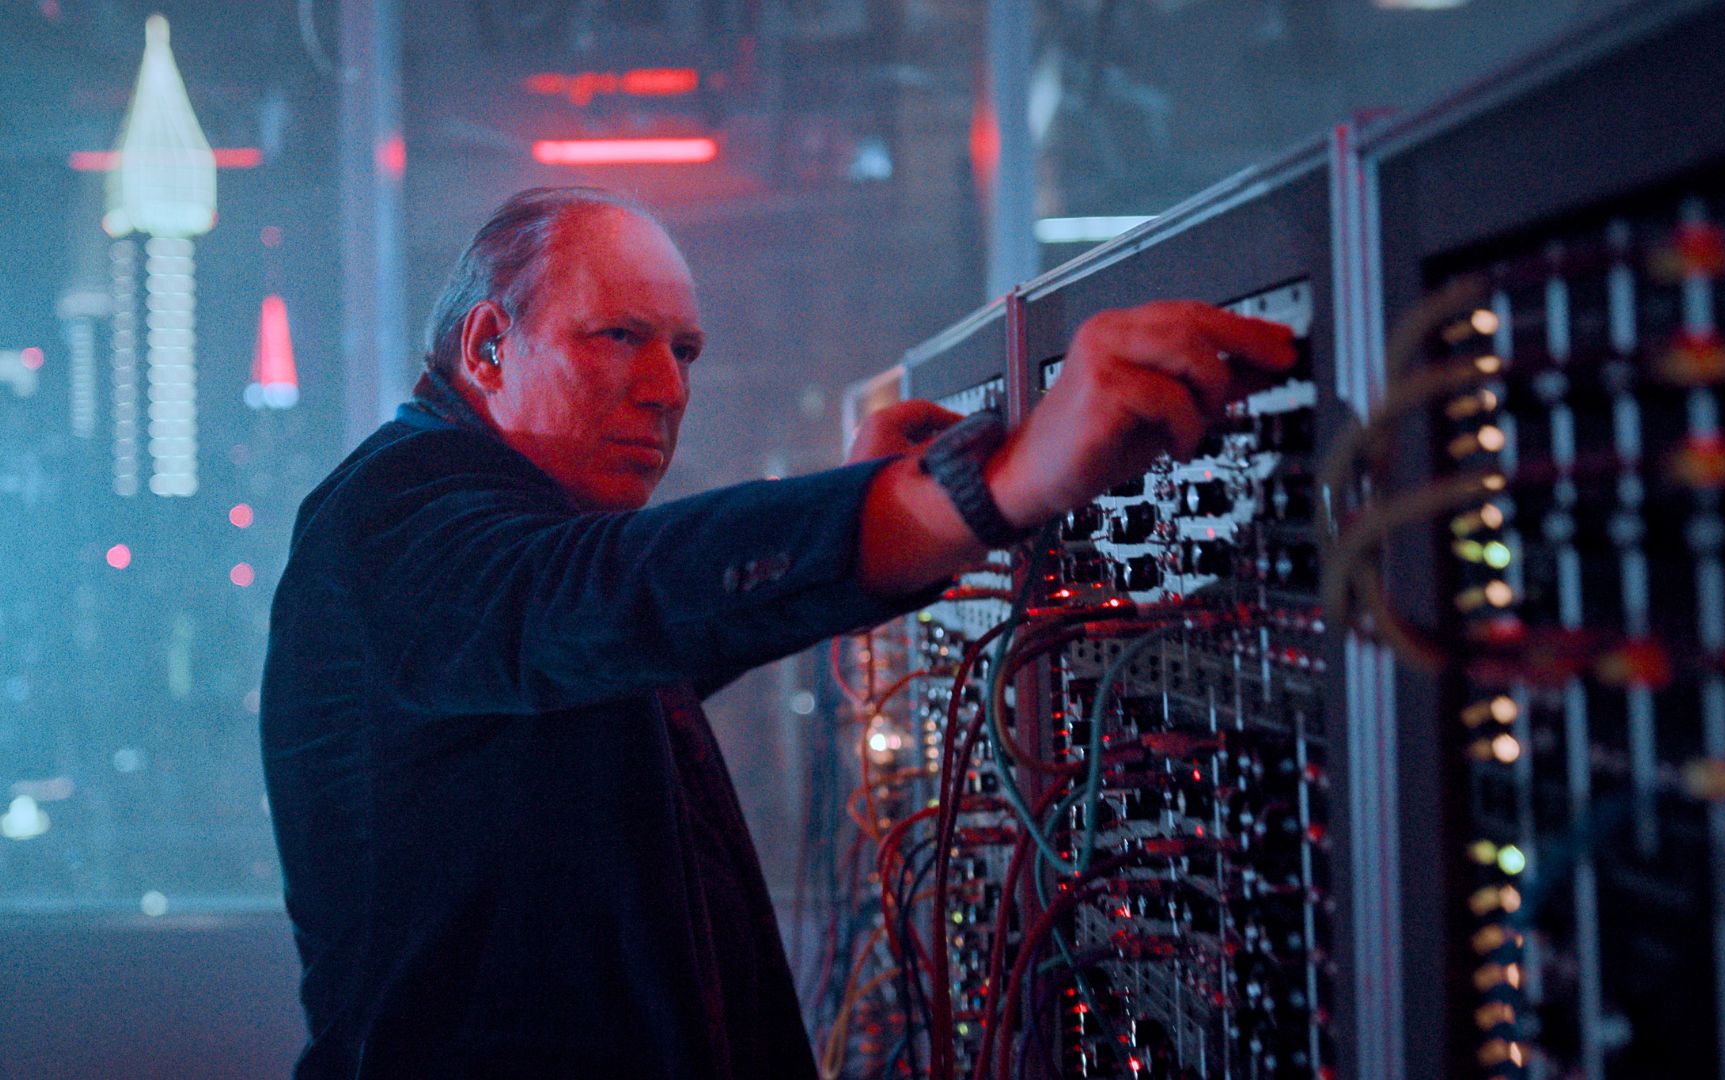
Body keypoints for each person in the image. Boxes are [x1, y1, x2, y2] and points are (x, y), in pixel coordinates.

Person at [259, 186, 1295, 1079]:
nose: (668, 389)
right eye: (619, 338)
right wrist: (981, 492)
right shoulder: (390, 517)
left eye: (684, 351)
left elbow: (638, 633)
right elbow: (609, 592)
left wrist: (872, 501)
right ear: (489, 345)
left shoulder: (498, 546)